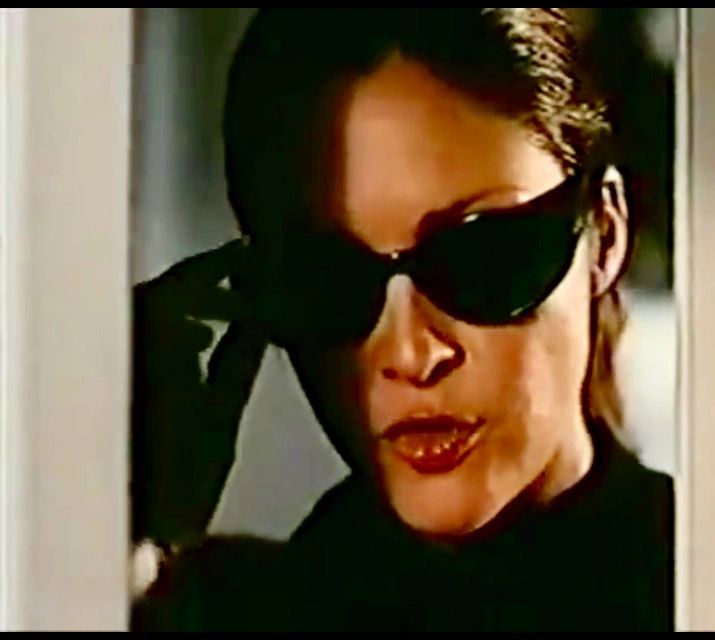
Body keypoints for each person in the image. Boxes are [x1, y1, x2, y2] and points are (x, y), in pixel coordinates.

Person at [129, 8, 674, 632]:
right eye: (329, 278)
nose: (413, 353)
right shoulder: (217, 611)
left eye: (483, 259)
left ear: (605, 232)